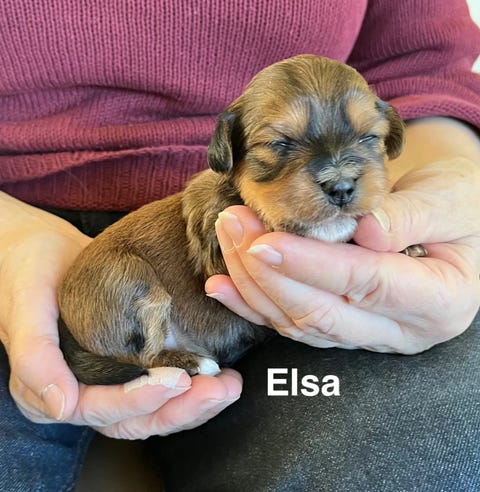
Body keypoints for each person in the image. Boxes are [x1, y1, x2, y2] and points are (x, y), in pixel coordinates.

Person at [0, 0, 479, 490]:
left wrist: (447, 197)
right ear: (228, 150)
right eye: (280, 144)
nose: (339, 177)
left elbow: (423, 69)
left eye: (369, 138)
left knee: (442, 459)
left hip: (292, 335)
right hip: (19, 237)